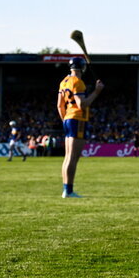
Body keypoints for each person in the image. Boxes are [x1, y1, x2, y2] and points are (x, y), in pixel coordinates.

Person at [57, 57, 104, 198]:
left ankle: (66, 189)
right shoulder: (78, 83)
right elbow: (82, 104)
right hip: (78, 119)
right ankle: (69, 191)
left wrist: (65, 119)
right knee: (73, 158)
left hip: (68, 119)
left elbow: (59, 105)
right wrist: (96, 92)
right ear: (82, 68)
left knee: (67, 157)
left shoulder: (64, 81)